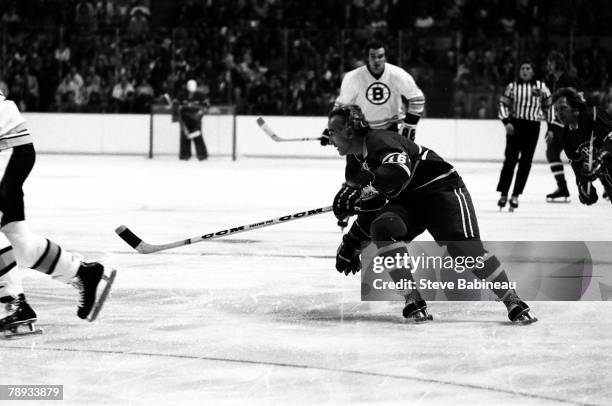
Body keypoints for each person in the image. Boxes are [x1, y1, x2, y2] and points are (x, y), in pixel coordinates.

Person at [327, 104, 537, 324]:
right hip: (408, 201)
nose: (329, 138)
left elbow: (400, 170)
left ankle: (512, 299)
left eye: (332, 132)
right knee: (382, 228)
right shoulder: (353, 166)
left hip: (441, 190)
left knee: (464, 250)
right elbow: (371, 210)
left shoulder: (379, 140)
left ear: (349, 131)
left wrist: (363, 188)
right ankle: (412, 298)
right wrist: (351, 243)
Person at [0, 90, 116, 338]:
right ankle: (82, 272)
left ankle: (13, 304)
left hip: (5, 146)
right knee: (16, 242)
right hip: (12, 146)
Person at [323, 40, 425, 228]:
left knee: (391, 170)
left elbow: (417, 98)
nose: (377, 60)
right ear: (367, 58)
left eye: (380, 56)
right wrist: (331, 131)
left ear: (385, 56)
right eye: (373, 56)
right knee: (355, 168)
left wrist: (410, 125)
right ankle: (349, 202)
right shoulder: (354, 77)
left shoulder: (397, 74)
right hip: (364, 131)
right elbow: (341, 106)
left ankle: (395, 208)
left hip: (390, 129)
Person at [496, 60, 553, 211]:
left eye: (528, 68)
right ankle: (503, 194)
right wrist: (506, 122)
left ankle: (515, 195)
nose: (525, 71)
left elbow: (549, 108)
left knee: (525, 162)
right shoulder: (512, 87)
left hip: (532, 127)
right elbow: (503, 104)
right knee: (510, 161)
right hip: (515, 126)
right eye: (522, 68)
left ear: (533, 72)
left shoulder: (542, 88)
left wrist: (551, 128)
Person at [552, 87, 612, 205]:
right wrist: (583, 188)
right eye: (556, 110)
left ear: (575, 109)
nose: (559, 113)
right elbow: (577, 166)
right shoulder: (565, 136)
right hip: (608, 179)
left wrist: (600, 159)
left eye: (563, 108)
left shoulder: (593, 116)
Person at [544, 51, 582, 202]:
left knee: (580, 156)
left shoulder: (567, 78)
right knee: (553, 151)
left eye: (550, 62)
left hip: (570, 122)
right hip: (564, 122)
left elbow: (577, 101)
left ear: (557, 63)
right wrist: (552, 127)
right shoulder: (559, 80)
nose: (548, 65)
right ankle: (563, 188)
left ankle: (568, 187)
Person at [174, 79, 209, 161]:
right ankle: (184, 155)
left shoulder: (200, 95)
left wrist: (200, 113)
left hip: (196, 119)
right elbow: (176, 103)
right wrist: (178, 107)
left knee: (197, 136)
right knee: (185, 136)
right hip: (185, 119)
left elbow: (206, 105)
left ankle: (202, 155)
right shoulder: (182, 94)